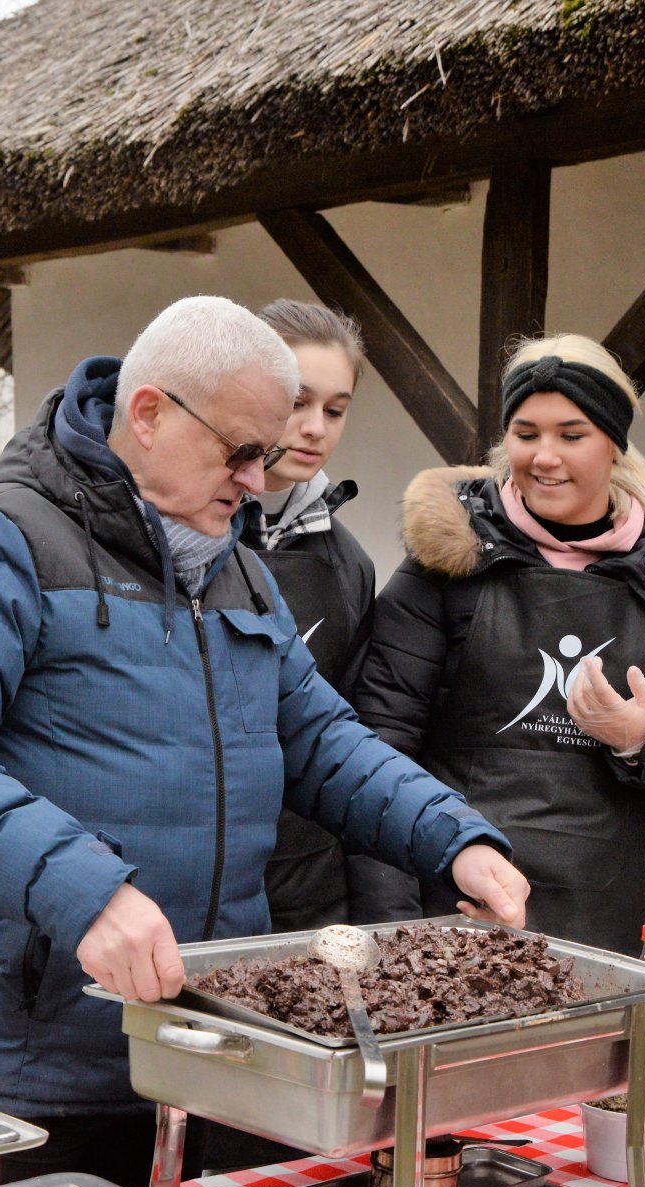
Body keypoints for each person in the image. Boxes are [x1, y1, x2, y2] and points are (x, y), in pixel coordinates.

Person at [0, 295, 531, 1187]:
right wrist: (82, 889)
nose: (258, 479)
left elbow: (320, 738)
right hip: (28, 1072)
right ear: (150, 412)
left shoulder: (239, 571)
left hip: (204, 1054)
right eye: (240, 452)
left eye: (269, 455)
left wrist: (454, 837)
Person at [354, 334, 645, 955]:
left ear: (613, 444)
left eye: (571, 435)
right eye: (526, 434)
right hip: (462, 901)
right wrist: (395, 929)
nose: (544, 457)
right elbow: (376, 749)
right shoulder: (444, 566)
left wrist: (644, 739)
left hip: (620, 915)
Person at [241, 300, 418, 931]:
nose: (315, 428)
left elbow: (355, 738)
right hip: (178, 893)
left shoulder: (348, 564)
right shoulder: (170, 540)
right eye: (296, 402)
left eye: (335, 410)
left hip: (305, 895)